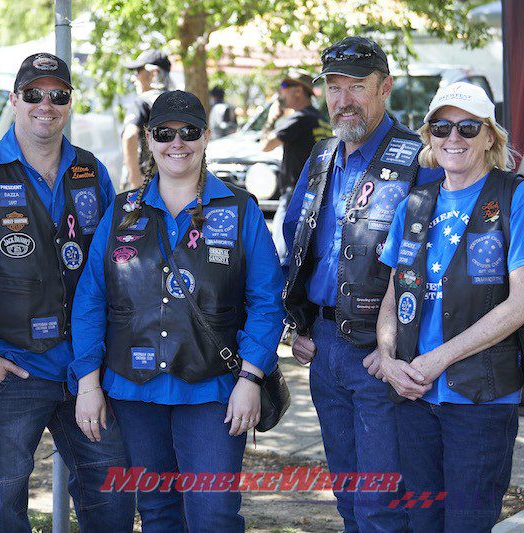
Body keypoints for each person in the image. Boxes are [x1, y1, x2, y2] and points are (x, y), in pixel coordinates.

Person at [0, 52, 135, 532]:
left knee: (110, 495)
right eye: (33, 94)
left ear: (68, 103)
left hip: (86, 372)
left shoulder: (91, 172)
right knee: (4, 507)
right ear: (14, 99)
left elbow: (112, 272)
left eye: (58, 95)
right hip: (10, 373)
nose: (45, 104)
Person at [70, 90, 285, 531]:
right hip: (133, 390)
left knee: (213, 515)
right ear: (149, 140)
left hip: (212, 391)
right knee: (157, 512)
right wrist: (88, 382)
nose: (177, 143)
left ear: (206, 137)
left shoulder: (240, 210)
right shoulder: (121, 212)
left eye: (189, 132)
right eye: (165, 133)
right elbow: (91, 300)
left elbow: (267, 301)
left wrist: (251, 377)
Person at [282, 36, 444, 532]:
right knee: (350, 501)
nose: (343, 99)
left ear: (385, 88)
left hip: (380, 355)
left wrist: (395, 347)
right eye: (334, 87)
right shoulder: (323, 156)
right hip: (323, 350)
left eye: (357, 86)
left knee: (383, 507)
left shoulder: (421, 158)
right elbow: (296, 241)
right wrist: (298, 323)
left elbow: (433, 264)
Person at [369, 82, 524, 532]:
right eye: (442, 127)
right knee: (422, 521)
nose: (453, 139)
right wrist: (387, 356)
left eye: (467, 127)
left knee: (466, 524)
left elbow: (519, 305)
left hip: (478, 398)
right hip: (415, 397)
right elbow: (394, 293)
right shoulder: (415, 203)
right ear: (429, 137)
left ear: (490, 137)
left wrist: (436, 359)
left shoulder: (514, 197)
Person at [258, 71, 331, 261]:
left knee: (281, 255)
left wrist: (272, 119)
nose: (280, 94)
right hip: (317, 194)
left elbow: (265, 145)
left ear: (298, 91)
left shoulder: (299, 118)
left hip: (295, 196)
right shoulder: (320, 119)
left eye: (284, 88)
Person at [121, 49, 172, 190]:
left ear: (153, 73)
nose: (134, 78)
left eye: (138, 71)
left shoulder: (142, 102)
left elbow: (129, 136)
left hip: (145, 186)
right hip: (171, 186)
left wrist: (135, 177)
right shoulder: (178, 103)